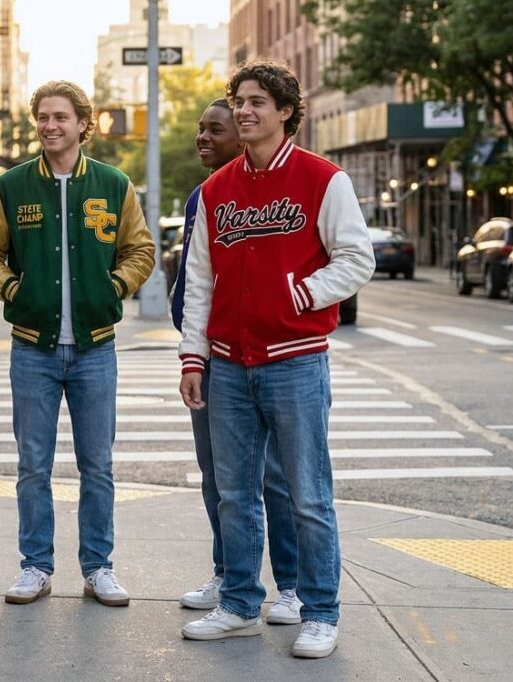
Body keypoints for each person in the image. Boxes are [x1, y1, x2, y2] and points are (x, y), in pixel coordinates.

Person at [177, 59, 373, 659]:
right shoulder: (217, 189)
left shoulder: (323, 179)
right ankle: (239, 603)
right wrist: (193, 357)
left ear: (286, 111)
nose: (244, 110)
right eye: (239, 100)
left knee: (308, 496)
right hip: (228, 366)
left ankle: (320, 612)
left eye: (257, 101)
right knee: (234, 494)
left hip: (295, 362)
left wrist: (301, 294)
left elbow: (357, 258)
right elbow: (199, 281)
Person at [0, 80, 155, 607]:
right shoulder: (12, 186)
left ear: (82, 124)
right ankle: (35, 566)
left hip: (96, 348)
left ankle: (98, 567)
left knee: (98, 466)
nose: (50, 126)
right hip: (33, 348)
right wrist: (13, 289)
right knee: (33, 465)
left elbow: (140, 249)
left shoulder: (114, 184)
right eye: (43, 117)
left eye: (61, 117)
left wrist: (113, 287)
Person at [170, 99, 301, 624]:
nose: (203, 137)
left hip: (267, 358)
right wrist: (192, 351)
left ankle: (290, 585)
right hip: (211, 357)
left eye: (215, 130)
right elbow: (196, 279)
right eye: (200, 128)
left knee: (276, 479)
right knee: (220, 478)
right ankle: (229, 574)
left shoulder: (268, 191)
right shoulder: (202, 196)